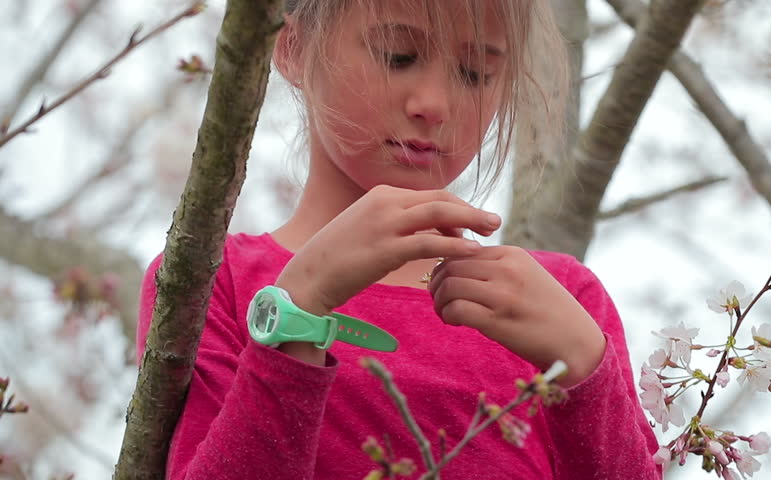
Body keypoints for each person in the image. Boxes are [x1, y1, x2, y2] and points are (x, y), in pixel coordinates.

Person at [137, 0, 662, 478]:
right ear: (293, 49)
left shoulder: (561, 297)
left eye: (475, 73)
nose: (434, 103)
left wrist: (586, 365)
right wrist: (297, 314)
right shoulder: (216, 281)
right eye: (398, 55)